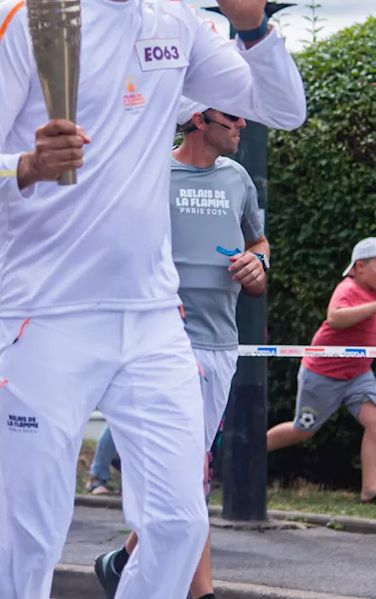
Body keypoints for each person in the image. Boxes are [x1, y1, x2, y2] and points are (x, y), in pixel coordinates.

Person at [0, 0, 306, 599]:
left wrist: (253, 29)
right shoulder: (19, 22)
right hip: (45, 316)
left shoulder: (174, 27)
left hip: (150, 319)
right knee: (28, 539)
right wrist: (26, 166)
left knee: (178, 525)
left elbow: (283, 107)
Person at [95, 98, 270, 599]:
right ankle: (202, 592)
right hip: (163, 343)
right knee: (192, 474)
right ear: (199, 120)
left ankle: (125, 559)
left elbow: (258, 243)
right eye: (232, 118)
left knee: (186, 477)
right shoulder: (149, 174)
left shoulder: (237, 178)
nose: (241, 126)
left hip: (222, 343)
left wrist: (257, 264)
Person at [265, 237, 376, 504]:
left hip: (358, 375)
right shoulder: (348, 288)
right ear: (359, 267)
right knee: (303, 430)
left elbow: (373, 322)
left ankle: (370, 488)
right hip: (322, 374)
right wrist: (375, 307)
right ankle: (248, 455)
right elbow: (335, 317)